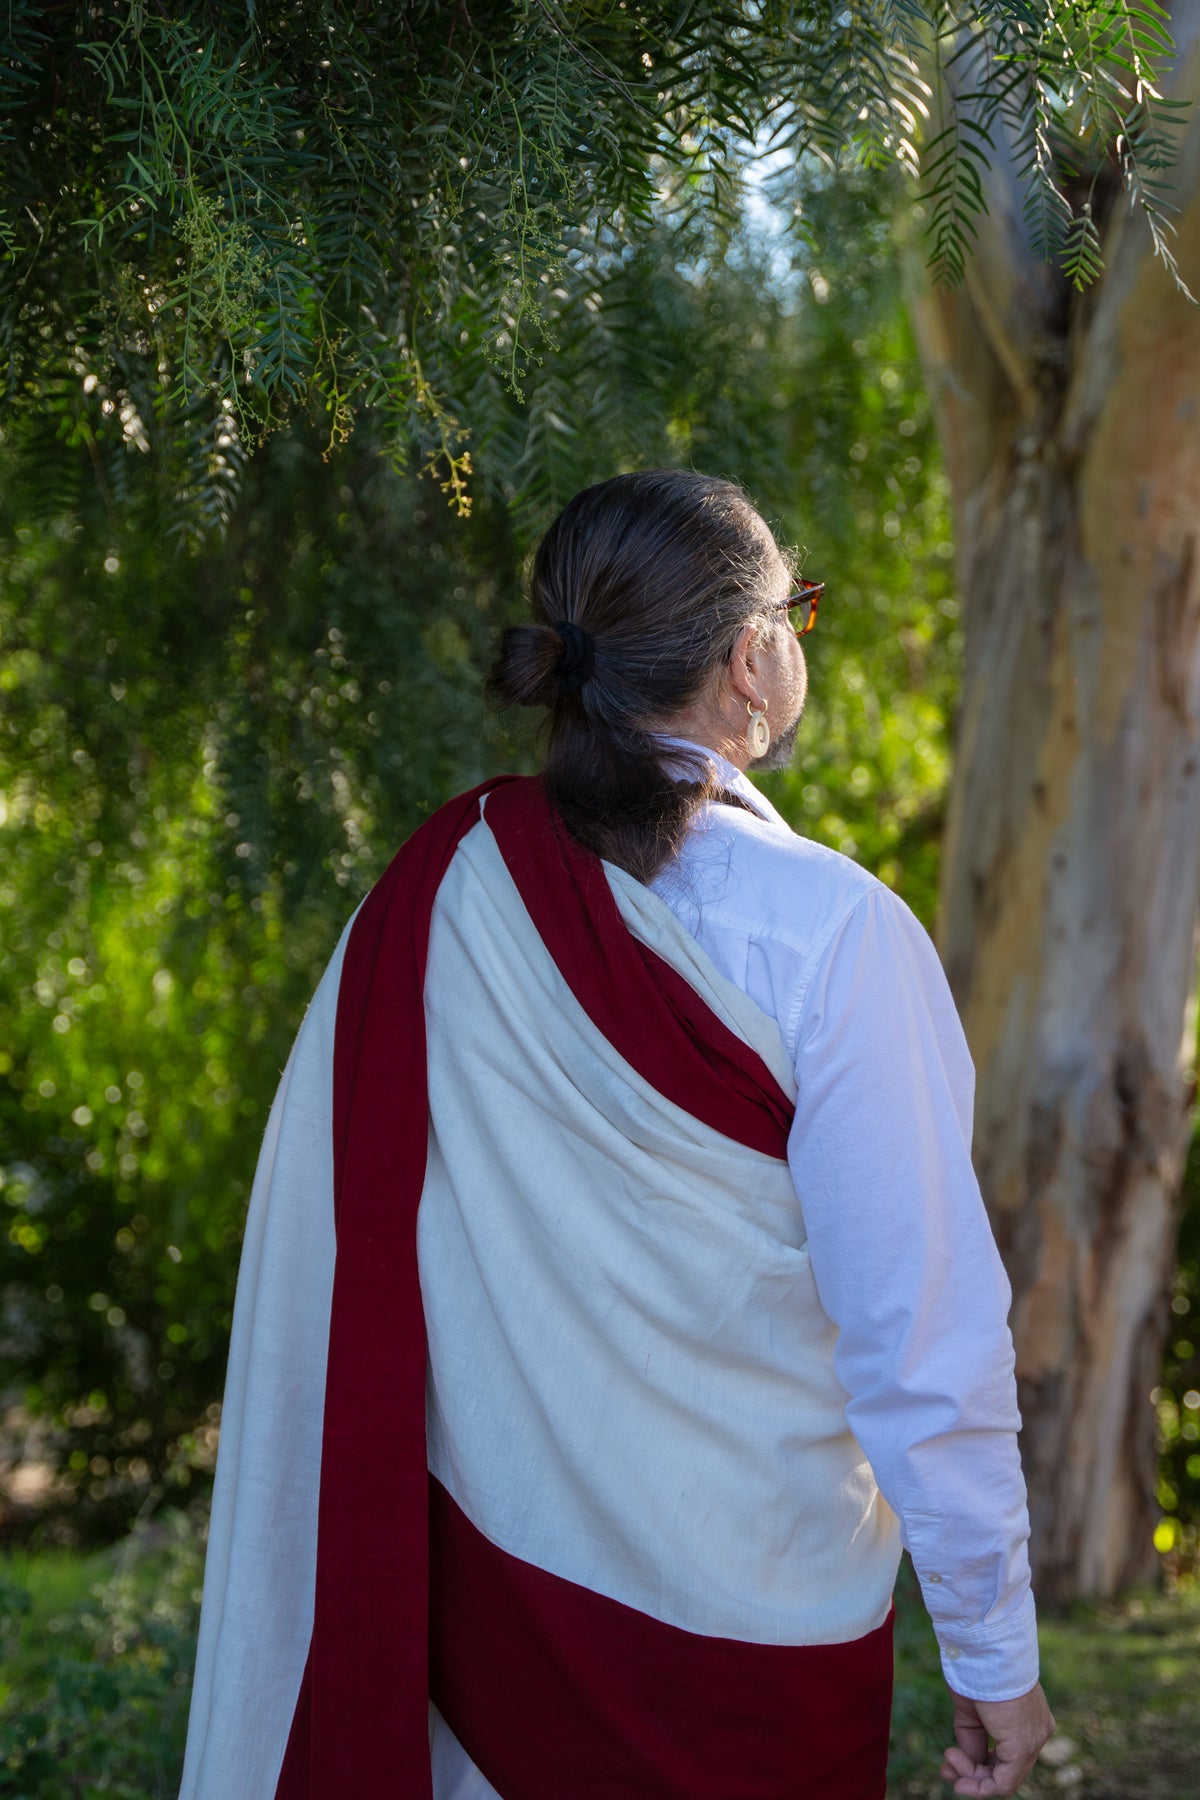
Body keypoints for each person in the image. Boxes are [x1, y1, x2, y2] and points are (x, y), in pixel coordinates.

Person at [178, 468, 1054, 1800]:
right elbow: (920, 1339)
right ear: (753, 661)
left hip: (489, 1641)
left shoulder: (441, 898)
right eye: (796, 614)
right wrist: (998, 1660)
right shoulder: (837, 936)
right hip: (755, 1648)